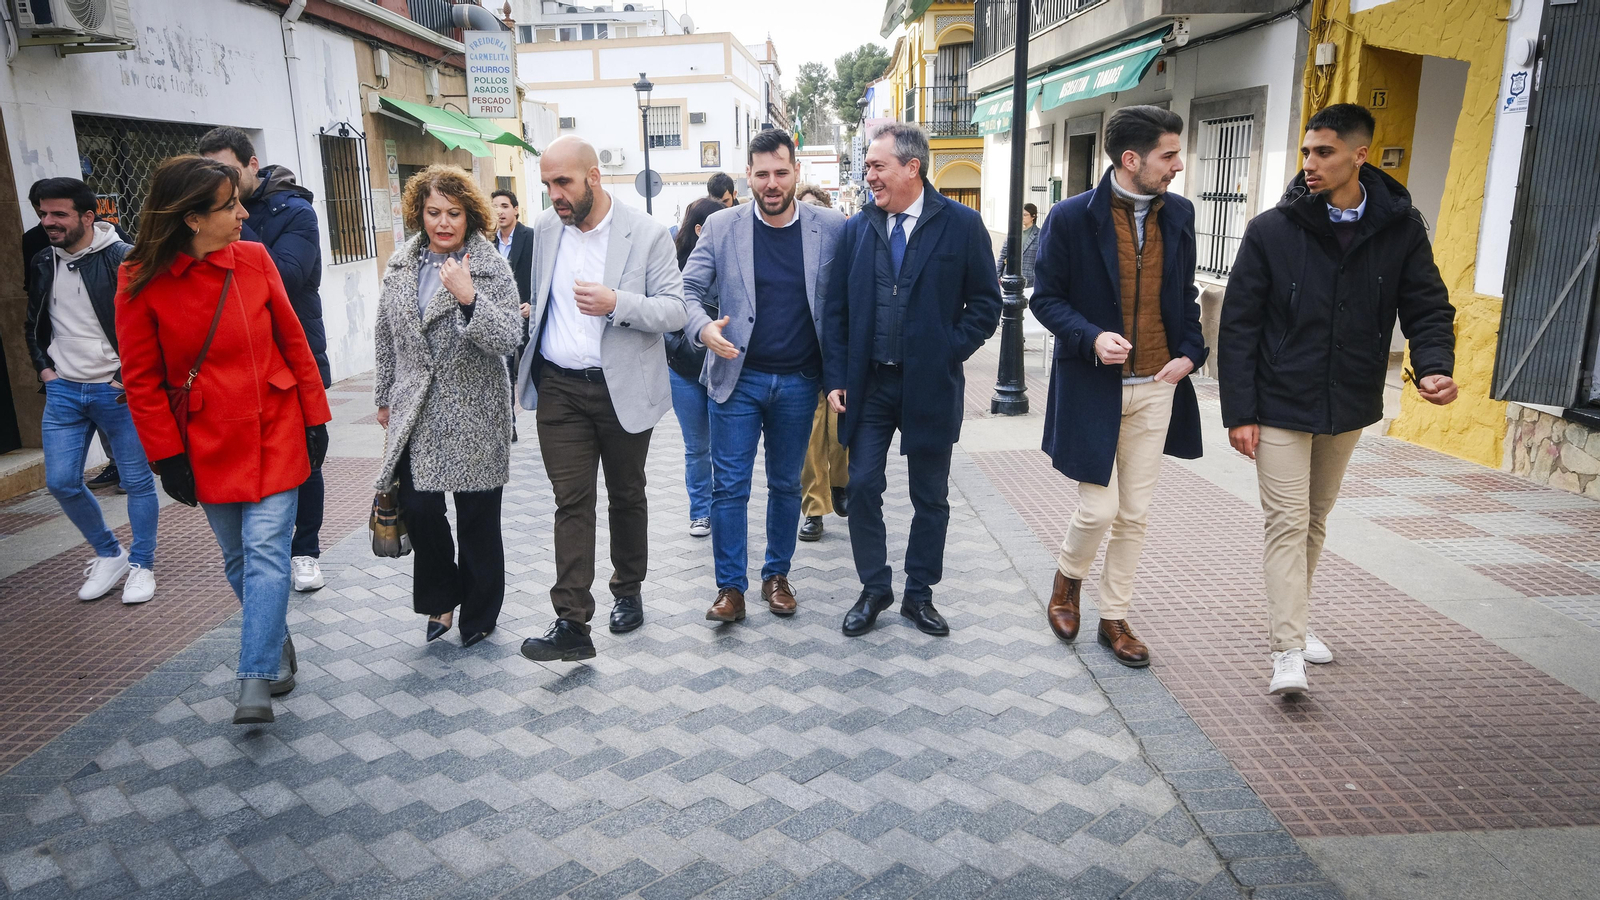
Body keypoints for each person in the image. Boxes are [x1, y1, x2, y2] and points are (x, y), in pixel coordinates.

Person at [1218, 103, 1457, 696]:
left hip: (1346, 400)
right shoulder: (1273, 228)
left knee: (1314, 522)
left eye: (1323, 151)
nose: (1310, 163)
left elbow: (1426, 306)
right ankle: (1287, 651)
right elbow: (1240, 324)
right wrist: (1239, 412)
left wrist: (1433, 367)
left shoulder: (1400, 227)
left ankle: (1294, 621)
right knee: (1286, 521)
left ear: (1360, 155)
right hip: (1278, 401)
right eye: (1306, 151)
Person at [117, 156, 332, 724]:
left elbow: (294, 342)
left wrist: (316, 419)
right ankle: (275, 640)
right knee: (239, 557)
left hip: (275, 424)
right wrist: (166, 456)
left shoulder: (255, 258)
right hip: (205, 440)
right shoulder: (138, 276)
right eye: (229, 206)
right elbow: (140, 378)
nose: (243, 213)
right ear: (191, 218)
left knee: (266, 550)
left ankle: (254, 676)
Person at [1030, 107, 1207, 668]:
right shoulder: (1070, 217)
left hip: (1157, 383)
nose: (1178, 165)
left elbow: (1185, 299)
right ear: (1131, 160)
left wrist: (1190, 355)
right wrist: (1090, 337)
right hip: (1093, 386)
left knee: (1135, 513)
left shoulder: (1179, 215)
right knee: (1099, 509)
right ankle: (1067, 579)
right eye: (1168, 155)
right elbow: (1046, 297)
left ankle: (1114, 617)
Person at [822, 123, 1001, 638]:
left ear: (911, 168)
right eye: (869, 166)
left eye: (878, 166)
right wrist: (836, 374)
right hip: (870, 386)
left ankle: (919, 595)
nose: (869, 175)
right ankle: (875, 587)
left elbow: (987, 305)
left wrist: (948, 350)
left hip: (930, 386)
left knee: (931, 497)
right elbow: (835, 311)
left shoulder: (963, 226)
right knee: (861, 485)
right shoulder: (857, 229)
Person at [515, 136, 687, 663]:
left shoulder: (647, 233)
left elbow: (676, 310)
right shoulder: (546, 230)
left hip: (622, 387)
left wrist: (618, 304)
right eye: (546, 185)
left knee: (627, 494)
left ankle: (628, 590)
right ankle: (571, 621)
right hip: (561, 387)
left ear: (594, 176)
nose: (554, 196)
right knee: (572, 501)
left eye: (562, 183)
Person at [682, 130, 847, 624]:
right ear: (747, 176)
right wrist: (703, 327)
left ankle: (777, 577)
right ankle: (729, 590)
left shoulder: (832, 227)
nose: (771, 184)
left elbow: (842, 306)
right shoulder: (721, 227)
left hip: (799, 382)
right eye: (761, 174)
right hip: (738, 379)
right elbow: (687, 289)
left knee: (785, 485)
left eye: (780, 173)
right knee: (729, 488)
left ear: (796, 172)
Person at [373, 166, 522, 649]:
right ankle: (442, 596)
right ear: (419, 213)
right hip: (416, 410)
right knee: (419, 509)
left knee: (477, 518)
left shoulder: (488, 265)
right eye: (433, 212)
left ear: (469, 215)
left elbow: (507, 338)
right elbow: (385, 336)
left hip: (475, 408)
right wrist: (383, 397)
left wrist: (468, 297)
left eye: (453, 213)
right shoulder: (401, 265)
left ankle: (480, 611)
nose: (442, 223)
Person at [198, 127, 333, 594]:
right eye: (214, 180)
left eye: (231, 175)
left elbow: (287, 273)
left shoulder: (295, 211)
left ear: (253, 165)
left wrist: (232, 222)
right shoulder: (207, 216)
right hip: (234, 359)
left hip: (294, 351)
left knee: (307, 458)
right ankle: (263, 551)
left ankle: (306, 552)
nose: (227, 189)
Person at [23, 177, 157, 605]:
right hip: (64, 389)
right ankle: (108, 553)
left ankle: (141, 565)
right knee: (61, 482)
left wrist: (125, 377)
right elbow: (34, 323)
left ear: (87, 215)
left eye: (58, 214)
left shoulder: (124, 258)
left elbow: (154, 326)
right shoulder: (44, 259)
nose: (48, 221)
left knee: (137, 482)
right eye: (43, 213)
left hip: (117, 390)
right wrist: (46, 371)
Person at [664, 197, 725, 539]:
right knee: (697, 445)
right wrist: (673, 346)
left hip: (722, 366)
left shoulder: (735, 261)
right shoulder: (672, 266)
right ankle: (700, 512)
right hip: (684, 368)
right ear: (700, 230)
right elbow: (663, 314)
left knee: (723, 445)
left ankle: (722, 508)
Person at [795, 183, 849, 542]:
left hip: (838, 353)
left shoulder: (837, 236)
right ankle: (814, 508)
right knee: (812, 438)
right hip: (804, 359)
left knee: (839, 432)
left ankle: (840, 482)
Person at [491, 188, 537, 441]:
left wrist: (534, 304)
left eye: (505, 206)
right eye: (495, 206)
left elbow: (541, 275)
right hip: (501, 320)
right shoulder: (489, 243)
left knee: (535, 370)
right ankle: (509, 425)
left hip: (527, 316)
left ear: (516, 209)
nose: (500, 211)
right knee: (504, 375)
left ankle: (548, 419)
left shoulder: (530, 237)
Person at [996, 202, 1040, 289]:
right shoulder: (1013, 232)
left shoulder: (1039, 234)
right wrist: (997, 275)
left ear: (1033, 216)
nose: (1022, 217)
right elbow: (1003, 255)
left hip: (1029, 280)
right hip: (1009, 277)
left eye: (1025, 215)